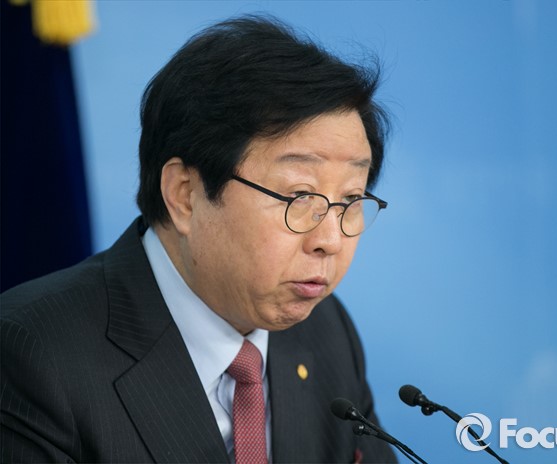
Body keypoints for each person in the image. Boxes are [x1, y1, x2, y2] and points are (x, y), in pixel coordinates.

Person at [1, 15, 396, 463]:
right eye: (299, 196)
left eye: (350, 200)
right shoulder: (33, 355)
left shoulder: (326, 331)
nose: (330, 239)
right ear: (185, 195)